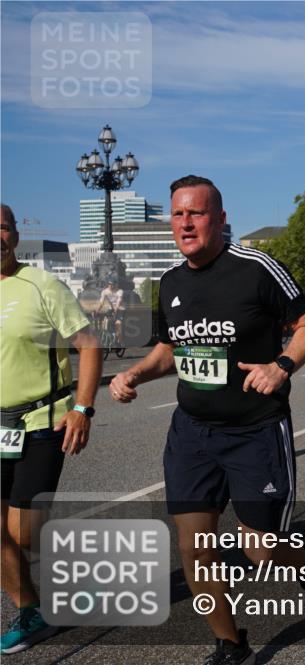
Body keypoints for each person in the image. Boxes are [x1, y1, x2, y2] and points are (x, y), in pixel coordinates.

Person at [108, 176, 305, 664]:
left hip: (256, 430)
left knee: (261, 551)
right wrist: (137, 373)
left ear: (220, 219)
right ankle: (230, 642)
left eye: (197, 213)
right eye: (178, 214)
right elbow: (171, 350)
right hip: (192, 433)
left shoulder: (256, 269)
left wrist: (282, 365)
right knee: (194, 549)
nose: (185, 222)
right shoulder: (170, 282)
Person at [1, 204, 102, 654]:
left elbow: (89, 344)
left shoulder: (42, 285)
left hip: (41, 422)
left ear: (15, 236)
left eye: (2, 228)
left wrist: (82, 407)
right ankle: (30, 611)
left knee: (22, 534)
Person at [98, 277, 125, 343]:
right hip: (110, 308)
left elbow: (119, 301)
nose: (110, 286)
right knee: (105, 322)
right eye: (109, 284)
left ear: (115, 285)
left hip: (120, 309)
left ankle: (120, 342)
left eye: (112, 284)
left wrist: (116, 310)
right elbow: (101, 302)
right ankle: (106, 337)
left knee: (117, 324)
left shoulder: (120, 291)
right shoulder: (105, 292)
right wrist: (97, 310)